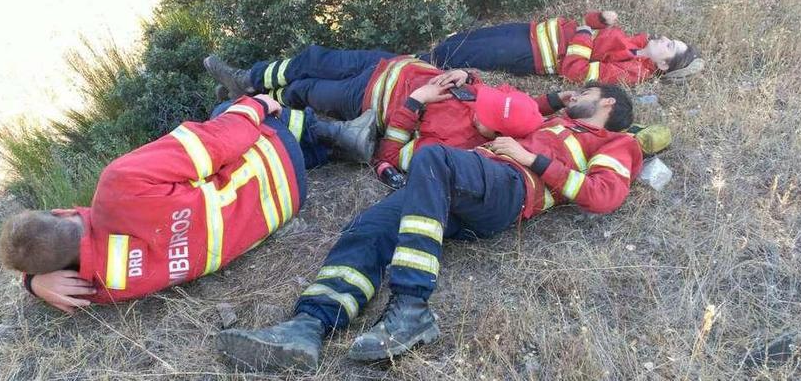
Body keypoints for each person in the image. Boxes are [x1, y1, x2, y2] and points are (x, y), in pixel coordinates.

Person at [215, 84, 644, 373]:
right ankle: (308, 326)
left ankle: (411, 308)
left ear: (607, 104)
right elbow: (512, 107)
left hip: (509, 190)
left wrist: (531, 160)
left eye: (587, 91)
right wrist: (550, 99)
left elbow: (603, 195)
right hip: (461, 185)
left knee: (434, 157)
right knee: (373, 224)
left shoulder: (615, 142)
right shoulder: (553, 122)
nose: (578, 94)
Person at [0, 94, 379, 311]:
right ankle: (333, 131)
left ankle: (330, 147)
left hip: (283, 205)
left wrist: (32, 283)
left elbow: (47, 261)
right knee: (225, 112)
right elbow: (216, 143)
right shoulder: (117, 187)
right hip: (275, 164)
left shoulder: (99, 286)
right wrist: (254, 105)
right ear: (62, 212)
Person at [204, 48, 544, 188]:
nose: (477, 104)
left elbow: (391, 155)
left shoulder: (458, 144)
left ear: (494, 134)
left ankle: (251, 98)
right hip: (386, 63)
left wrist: (415, 101)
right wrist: (465, 74)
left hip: (366, 95)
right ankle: (247, 78)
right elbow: (492, 89)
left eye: (483, 112)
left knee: (305, 89)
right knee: (311, 57)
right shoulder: (494, 101)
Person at [419, 10, 703, 84]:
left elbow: (575, 71)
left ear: (664, 65)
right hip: (532, 31)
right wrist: (597, 20)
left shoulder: (630, 72)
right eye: (670, 38)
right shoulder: (636, 43)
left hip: (533, 54)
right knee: (461, 40)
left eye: (669, 46)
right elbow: (587, 26)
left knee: (455, 55)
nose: (665, 38)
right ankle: (418, 58)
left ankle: (406, 63)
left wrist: (584, 31)